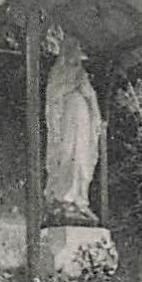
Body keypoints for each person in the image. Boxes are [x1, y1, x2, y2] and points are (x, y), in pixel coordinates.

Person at [42, 34, 102, 224]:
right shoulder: (57, 72)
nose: (74, 57)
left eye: (76, 52)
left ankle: (80, 200)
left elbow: (91, 97)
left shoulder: (82, 75)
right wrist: (70, 86)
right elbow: (53, 96)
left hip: (83, 122)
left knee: (82, 159)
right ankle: (63, 199)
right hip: (67, 121)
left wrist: (94, 113)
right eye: (71, 52)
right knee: (67, 155)